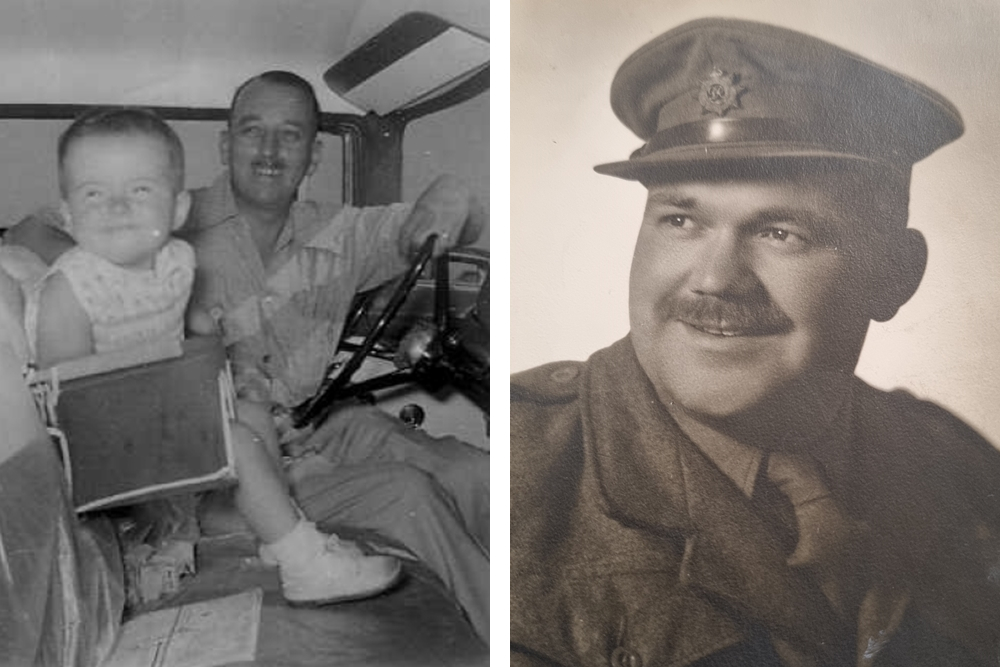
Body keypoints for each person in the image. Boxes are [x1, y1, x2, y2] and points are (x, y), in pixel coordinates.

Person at [511, 18, 1000, 667]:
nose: (715, 279)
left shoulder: (956, 464)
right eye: (681, 219)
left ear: (895, 275)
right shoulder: (521, 476)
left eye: (780, 232)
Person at [5, 72, 490, 641]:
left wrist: (454, 195)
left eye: (290, 135)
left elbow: (444, 223)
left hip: (317, 419)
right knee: (410, 496)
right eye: (252, 131)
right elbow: (30, 231)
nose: (269, 150)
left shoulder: (342, 230)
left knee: (476, 472)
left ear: (312, 155)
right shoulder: (160, 217)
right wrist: (113, 272)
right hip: (211, 456)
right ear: (225, 143)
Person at [23, 106, 402, 608]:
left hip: (151, 415)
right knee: (237, 442)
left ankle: (269, 528)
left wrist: (214, 358)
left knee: (250, 414)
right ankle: (305, 563)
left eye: (139, 191)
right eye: (95, 194)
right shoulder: (70, 289)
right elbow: (69, 395)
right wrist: (177, 403)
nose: (117, 207)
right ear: (69, 217)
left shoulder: (178, 261)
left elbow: (195, 322)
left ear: (178, 211)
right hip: (90, 445)